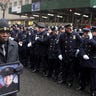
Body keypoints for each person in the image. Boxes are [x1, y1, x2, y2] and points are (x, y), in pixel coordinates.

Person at [0, 19, 23, 96]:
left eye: (7, 32)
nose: (5, 35)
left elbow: (17, 61)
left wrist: (20, 67)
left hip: (11, 89)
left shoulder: (15, 45)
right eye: (2, 32)